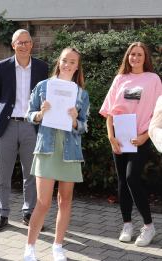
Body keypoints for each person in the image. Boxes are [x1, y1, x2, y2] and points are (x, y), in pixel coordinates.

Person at [24, 47, 90, 261]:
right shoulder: (43, 87)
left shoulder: (82, 94)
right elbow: (29, 115)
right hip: (47, 148)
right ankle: (30, 248)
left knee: (65, 201)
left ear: (77, 66)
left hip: (70, 150)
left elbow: (83, 127)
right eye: (64, 60)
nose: (67, 65)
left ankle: (58, 246)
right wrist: (41, 113)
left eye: (72, 62)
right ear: (59, 62)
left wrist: (74, 121)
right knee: (43, 202)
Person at [99, 42, 162, 247]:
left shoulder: (153, 79)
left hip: (140, 137)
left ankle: (149, 226)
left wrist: (145, 136)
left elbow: (158, 112)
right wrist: (111, 136)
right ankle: (127, 225)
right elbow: (109, 111)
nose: (135, 58)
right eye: (132, 54)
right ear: (127, 57)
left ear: (146, 58)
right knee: (121, 181)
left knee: (131, 178)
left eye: (139, 54)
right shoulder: (120, 79)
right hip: (120, 137)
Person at [0, 29, 48, 231]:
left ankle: (29, 213)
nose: (23, 45)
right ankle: (2, 214)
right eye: (19, 42)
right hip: (7, 125)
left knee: (31, 174)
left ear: (32, 44)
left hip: (32, 126)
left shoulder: (41, 67)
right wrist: (3, 114)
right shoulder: (1, 67)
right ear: (13, 45)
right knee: (3, 174)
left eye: (26, 42)